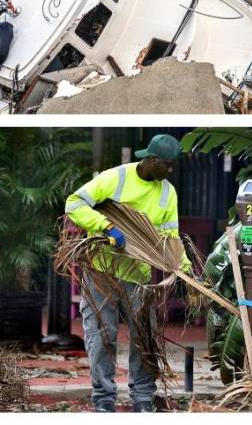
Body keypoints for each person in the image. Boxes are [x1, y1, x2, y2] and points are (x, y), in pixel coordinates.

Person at [64, 134, 192, 413]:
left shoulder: (168, 193)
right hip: (101, 270)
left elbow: (171, 237)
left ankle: (143, 399)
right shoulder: (116, 178)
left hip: (138, 276)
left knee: (144, 337)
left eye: (173, 166)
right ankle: (103, 400)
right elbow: (74, 203)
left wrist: (186, 271)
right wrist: (107, 227)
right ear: (150, 160)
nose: (170, 171)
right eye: (166, 165)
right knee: (101, 335)